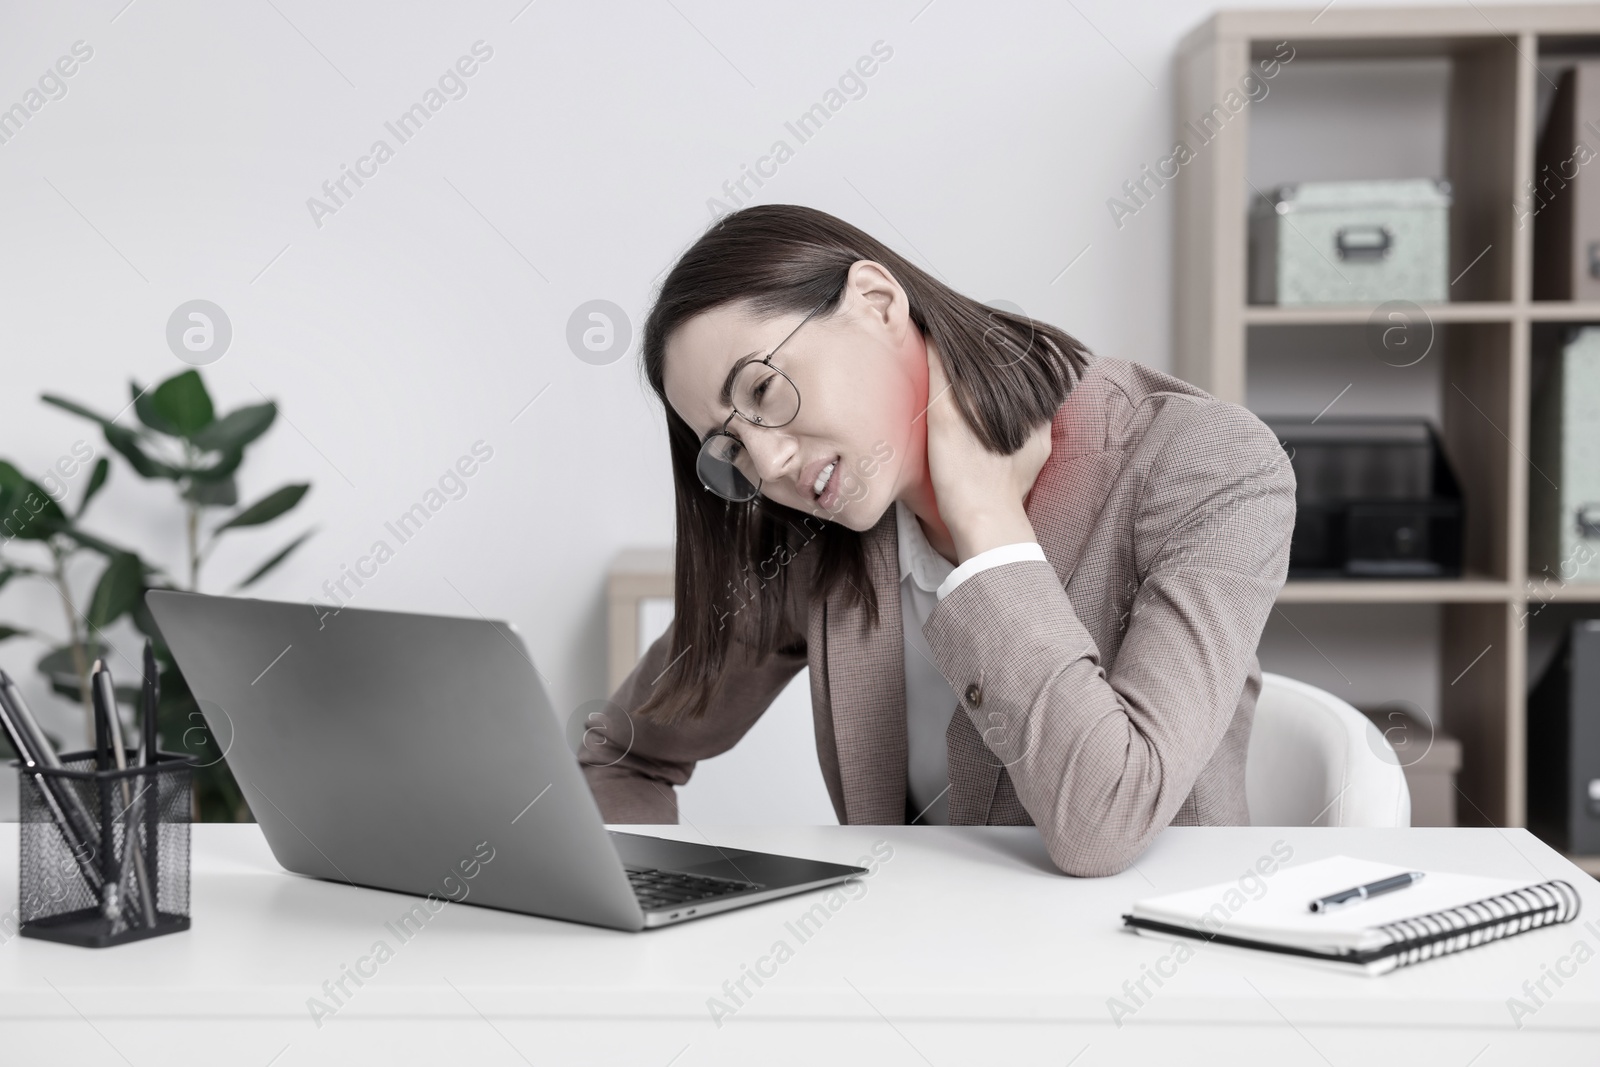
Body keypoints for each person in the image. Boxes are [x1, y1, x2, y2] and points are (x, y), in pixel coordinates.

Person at [579, 204, 1295, 877]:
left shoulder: (1204, 462)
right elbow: (621, 754)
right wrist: (649, 902)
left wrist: (987, 528)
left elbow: (1105, 822)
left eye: (764, 392)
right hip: (914, 973)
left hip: (1161, 975)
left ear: (877, 303)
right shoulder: (817, 537)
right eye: (729, 448)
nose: (767, 466)